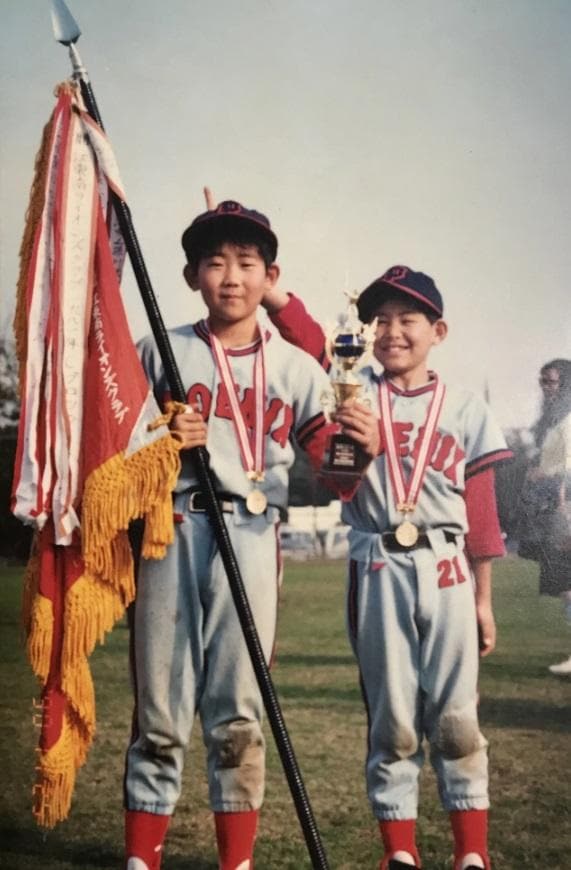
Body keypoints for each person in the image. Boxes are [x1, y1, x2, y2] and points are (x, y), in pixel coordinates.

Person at [122, 200, 379, 870]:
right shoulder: (159, 349)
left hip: (252, 530)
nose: (230, 277)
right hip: (170, 531)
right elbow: (110, 456)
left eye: (245, 263)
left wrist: (362, 447)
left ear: (271, 276)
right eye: (214, 262)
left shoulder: (297, 369)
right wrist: (160, 443)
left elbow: (338, 477)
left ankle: (235, 861)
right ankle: (140, 858)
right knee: (158, 704)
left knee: (237, 708)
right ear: (189, 275)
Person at [262, 266, 512, 870]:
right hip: (377, 560)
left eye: (409, 319)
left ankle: (470, 854)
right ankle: (399, 852)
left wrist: (484, 600)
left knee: (456, 716)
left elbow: (481, 516)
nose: (392, 332)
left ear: (438, 330)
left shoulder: (467, 408)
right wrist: (272, 294)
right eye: (381, 320)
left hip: (448, 563)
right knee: (394, 716)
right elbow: (309, 339)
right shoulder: (350, 392)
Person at [522, 359, 571, 675]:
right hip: (551, 505)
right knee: (563, 582)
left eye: (551, 382)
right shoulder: (551, 421)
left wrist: (545, 475)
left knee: (566, 581)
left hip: (564, 506)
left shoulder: (568, 421)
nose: (546, 388)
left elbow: (566, 466)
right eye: (542, 381)